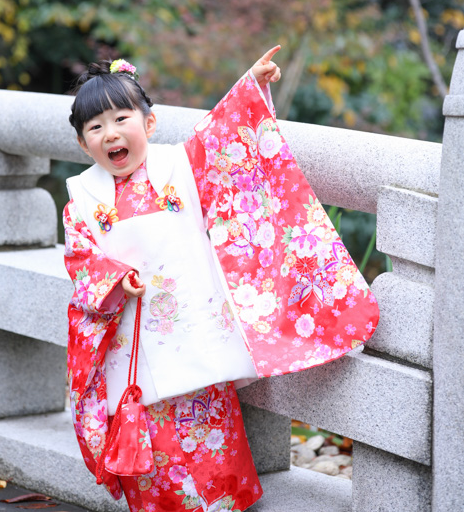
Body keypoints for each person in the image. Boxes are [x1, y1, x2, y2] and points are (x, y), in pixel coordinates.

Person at [63, 48, 380, 512]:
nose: (110, 133)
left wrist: (252, 84)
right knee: (153, 453)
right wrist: (113, 279)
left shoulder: (180, 166)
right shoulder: (82, 200)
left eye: (121, 119)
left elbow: (225, 137)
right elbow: (80, 258)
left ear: (149, 124)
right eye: (95, 127)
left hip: (195, 333)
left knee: (212, 444)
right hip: (132, 346)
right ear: (82, 143)